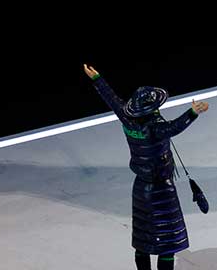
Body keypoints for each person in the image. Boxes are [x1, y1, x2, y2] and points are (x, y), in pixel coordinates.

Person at [83, 63, 209, 270]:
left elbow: (112, 99)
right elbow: (174, 127)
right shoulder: (155, 127)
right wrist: (193, 112)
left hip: (141, 188)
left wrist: (97, 79)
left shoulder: (127, 120)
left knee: (143, 240)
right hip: (162, 189)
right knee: (167, 244)